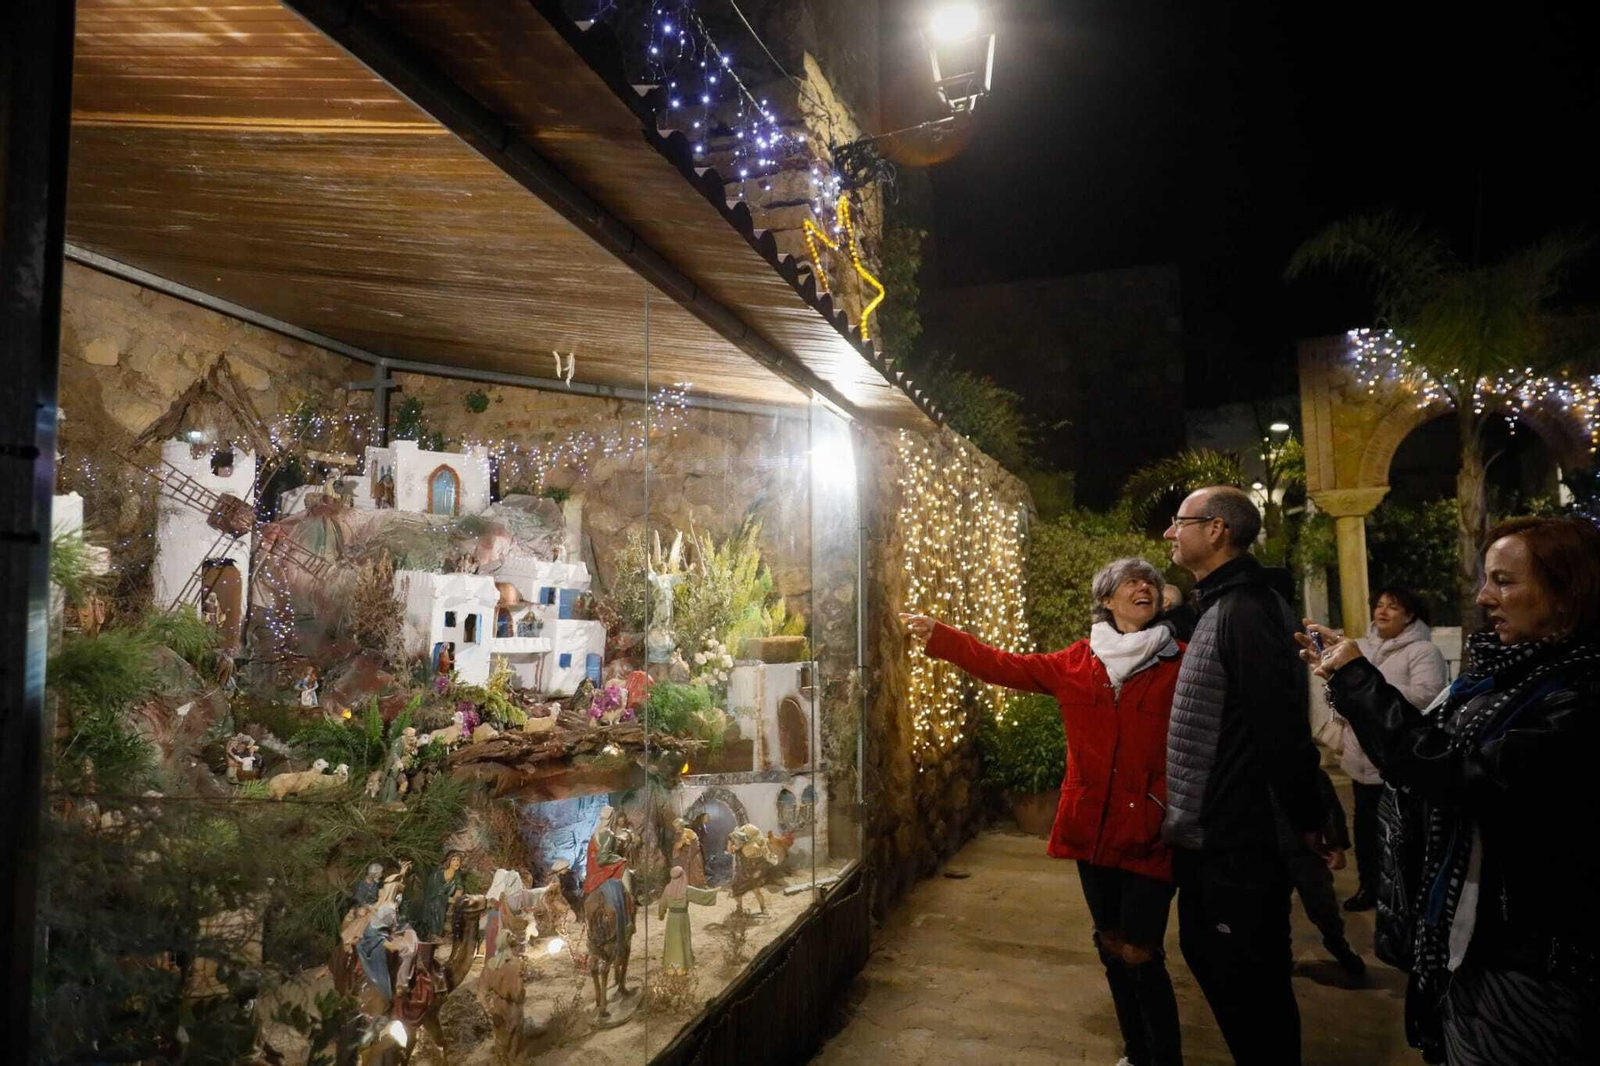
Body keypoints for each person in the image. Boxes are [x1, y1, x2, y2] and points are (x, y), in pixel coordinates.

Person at [1299, 516, 1600, 1064]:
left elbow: (1457, 774)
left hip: (1527, 964)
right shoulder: (1504, 673)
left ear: (1568, 591)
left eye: (1506, 582)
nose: (1485, 598)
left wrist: (1360, 684)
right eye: (1487, 580)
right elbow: (1432, 748)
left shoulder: (1577, 696)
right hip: (1474, 951)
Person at [903, 555, 1185, 1066]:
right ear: (1106, 599)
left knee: (1143, 953)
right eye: (1130, 581)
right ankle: (1137, 1050)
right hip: (1092, 829)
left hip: (1150, 827)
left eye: (1150, 582)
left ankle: (1164, 1058)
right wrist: (941, 636)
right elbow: (1003, 665)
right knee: (1110, 943)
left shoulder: (1181, 661)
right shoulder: (1076, 663)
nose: (1143, 586)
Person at [1160, 486, 1326, 1065]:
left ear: (1216, 531)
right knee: (1217, 961)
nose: (1168, 533)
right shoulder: (1220, 604)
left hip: (1238, 837)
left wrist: (1309, 818)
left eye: (1179, 522)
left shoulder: (1245, 609)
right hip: (1220, 833)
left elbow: (1279, 725)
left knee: (1248, 983)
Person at [1323, 587, 1447, 912]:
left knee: (1398, 831)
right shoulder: (1359, 647)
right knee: (1364, 831)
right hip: (1358, 755)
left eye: (1393, 607)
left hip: (1397, 757)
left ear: (1410, 615)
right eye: (1379, 605)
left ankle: (1402, 897)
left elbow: (1427, 696)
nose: (1383, 611)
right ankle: (1369, 887)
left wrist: (1369, 689)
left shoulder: (1423, 651)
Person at [1273, 769, 1366, 979]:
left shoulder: (1306, 765)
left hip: (1305, 851)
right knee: (1275, 909)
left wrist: (1336, 843)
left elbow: (1327, 802)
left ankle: (1336, 943)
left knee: (1323, 904)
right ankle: (1281, 955)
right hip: (1271, 850)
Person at [657, 865, 719, 975]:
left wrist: (661, 915)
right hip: (683, 918)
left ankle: (671, 968)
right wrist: (715, 892)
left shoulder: (667, 889)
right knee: (683, 940)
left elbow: (662, 904)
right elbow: (702, 895)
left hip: (672, 919)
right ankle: (682, 967)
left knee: (672, 941)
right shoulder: (686, 889)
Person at [418, 850, 464, 941]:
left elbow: (459, 889)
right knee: (437, 903)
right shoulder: (438, 874)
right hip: (433, 899)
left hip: (445, 899)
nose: (457, 862)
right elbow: (436, 892)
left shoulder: (457, 876)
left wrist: (456, 898)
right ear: (449, 861)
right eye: (454, 860)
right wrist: (450, 899)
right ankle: (435, 932)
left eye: (458, 860)